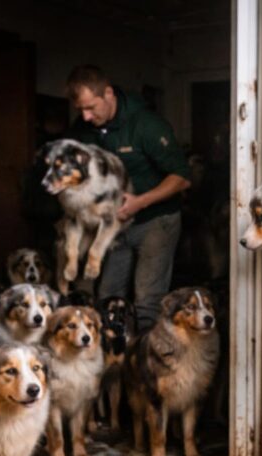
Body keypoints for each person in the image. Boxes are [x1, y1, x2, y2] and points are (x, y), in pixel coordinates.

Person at [65, 65, 192, 331]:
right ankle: (114, 363)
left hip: (155, 221)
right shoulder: (83, 129)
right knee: (107, 296)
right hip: (114, 226)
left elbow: (181, 177)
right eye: (80, 110)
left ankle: (146, 365)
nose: (86, 117)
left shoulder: (146, 124)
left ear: (108, 93)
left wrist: (140, 201)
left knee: (146, 299)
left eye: (91, 108)